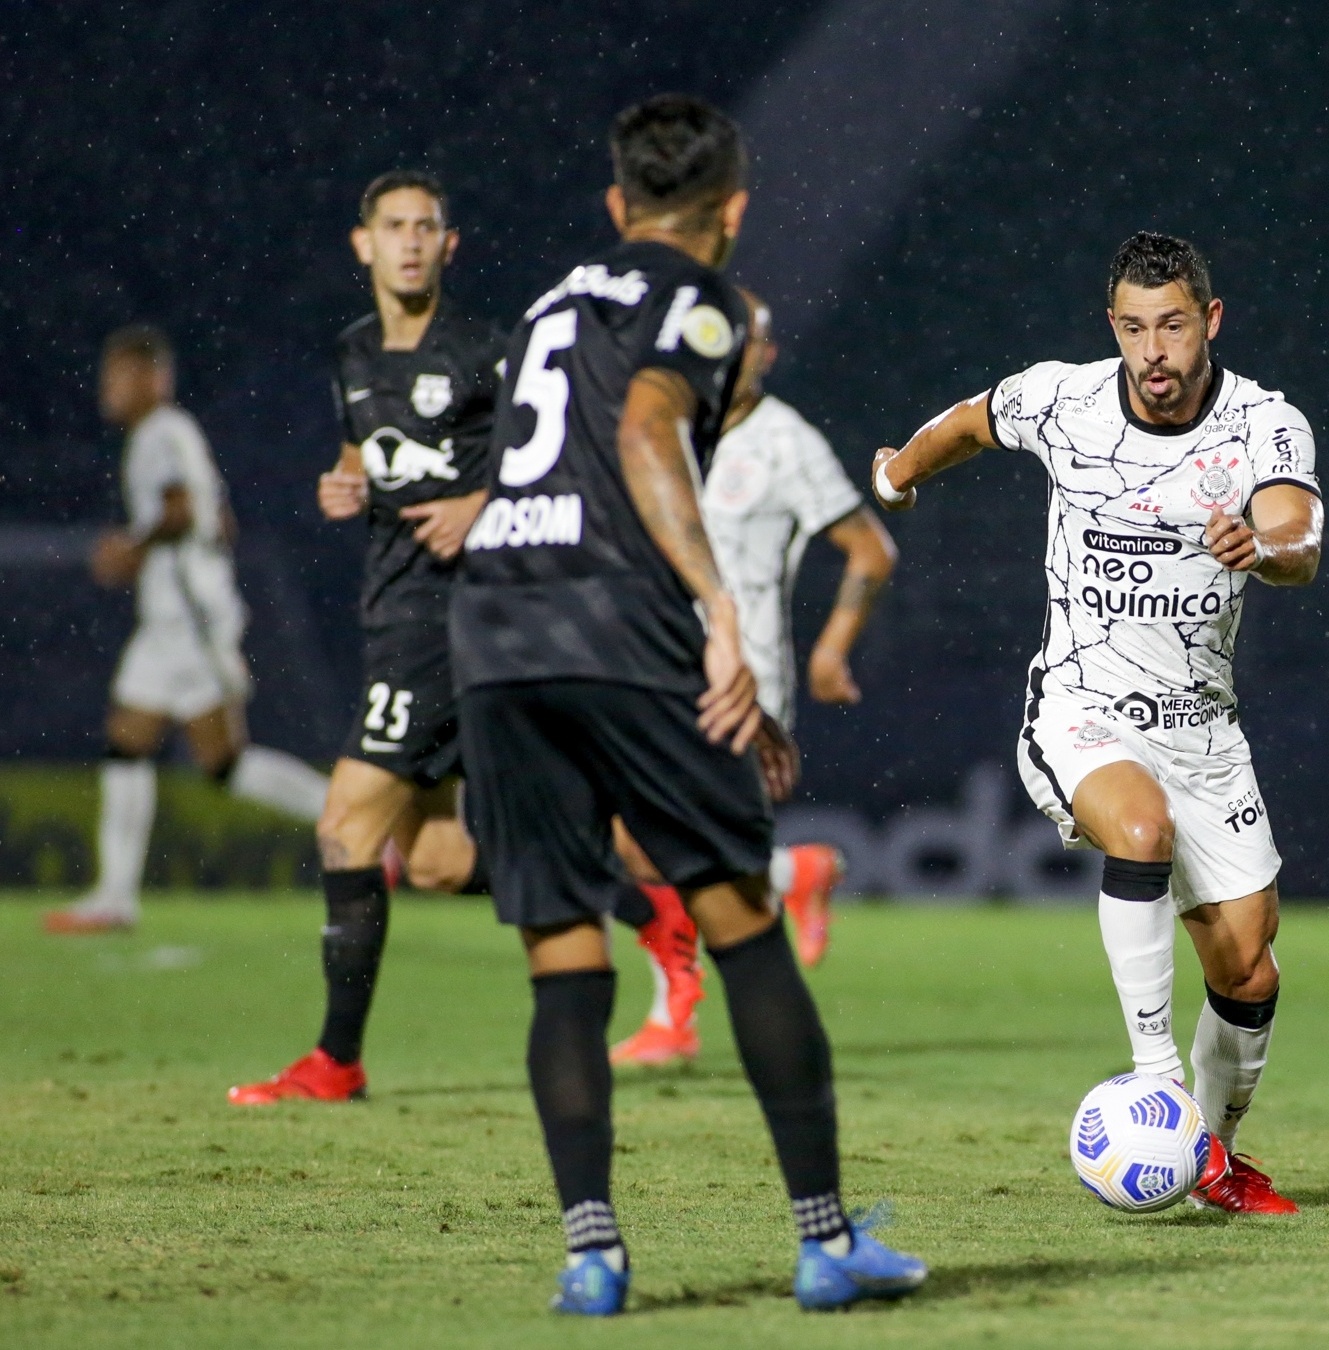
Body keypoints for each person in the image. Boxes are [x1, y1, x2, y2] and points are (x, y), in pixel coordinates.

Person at [450, 93, 927, 1315]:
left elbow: (511, 446)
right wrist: (717, 608)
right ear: (734, 214)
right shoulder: (705, 302)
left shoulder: (554, 299)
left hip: (498, 627)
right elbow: (652, 429)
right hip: (617, 620)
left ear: (617, 206)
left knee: (563, 960)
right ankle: (825, 1243)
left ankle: (592, 1258)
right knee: (739, 921)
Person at [869, 230, 1323, 1216]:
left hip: (1204, 727)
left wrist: (1266, 548)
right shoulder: (1065, 400)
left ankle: (1211, 1153)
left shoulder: (1263, 424)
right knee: (1139, 826)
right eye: (1132, 328)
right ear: (1112, 328)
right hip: (1081, 705)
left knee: (1247, 963)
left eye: (1171, 326)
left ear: (1209, 321)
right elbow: (973, 420)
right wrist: (896, 476)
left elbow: (1300, 535)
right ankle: (1154, 1077)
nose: (1152, 350)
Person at [229, 170, 503, 1105]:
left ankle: (335, 1062)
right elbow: (363, 458)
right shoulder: (352, 353)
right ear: (364, 244)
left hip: (449, 614)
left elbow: (558, 465)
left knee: (347, 821)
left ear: (449, 244)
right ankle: (644, 899)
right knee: (435, 860)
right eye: (395, 227)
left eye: (428, 225)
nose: (412, 241)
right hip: (391, 606)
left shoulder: (481, 352)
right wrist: (339, 485)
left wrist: (479, 501)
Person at [608, 287, 898, 1066]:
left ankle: (676, 1014)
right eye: (738, 337)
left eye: (763, 342)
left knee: (637, 843)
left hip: (744, 682)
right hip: (655, 664)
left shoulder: (785, 441)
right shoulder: (662, 424)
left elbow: (871, 549)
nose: (751, 353)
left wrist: (832, 649)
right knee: (639, 847)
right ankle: (787, 874)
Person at [44, 326, 329, 935]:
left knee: (222, 762)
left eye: (118, 376)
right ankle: (115, 897)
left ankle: (346, 816)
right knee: (128, 742)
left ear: (151, 378)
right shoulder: (175, 434)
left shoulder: (157, 434)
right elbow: (217, 520)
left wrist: (132, 547)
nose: (107, 390)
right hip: (174, 620)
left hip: (188, 622)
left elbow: (180, 512)